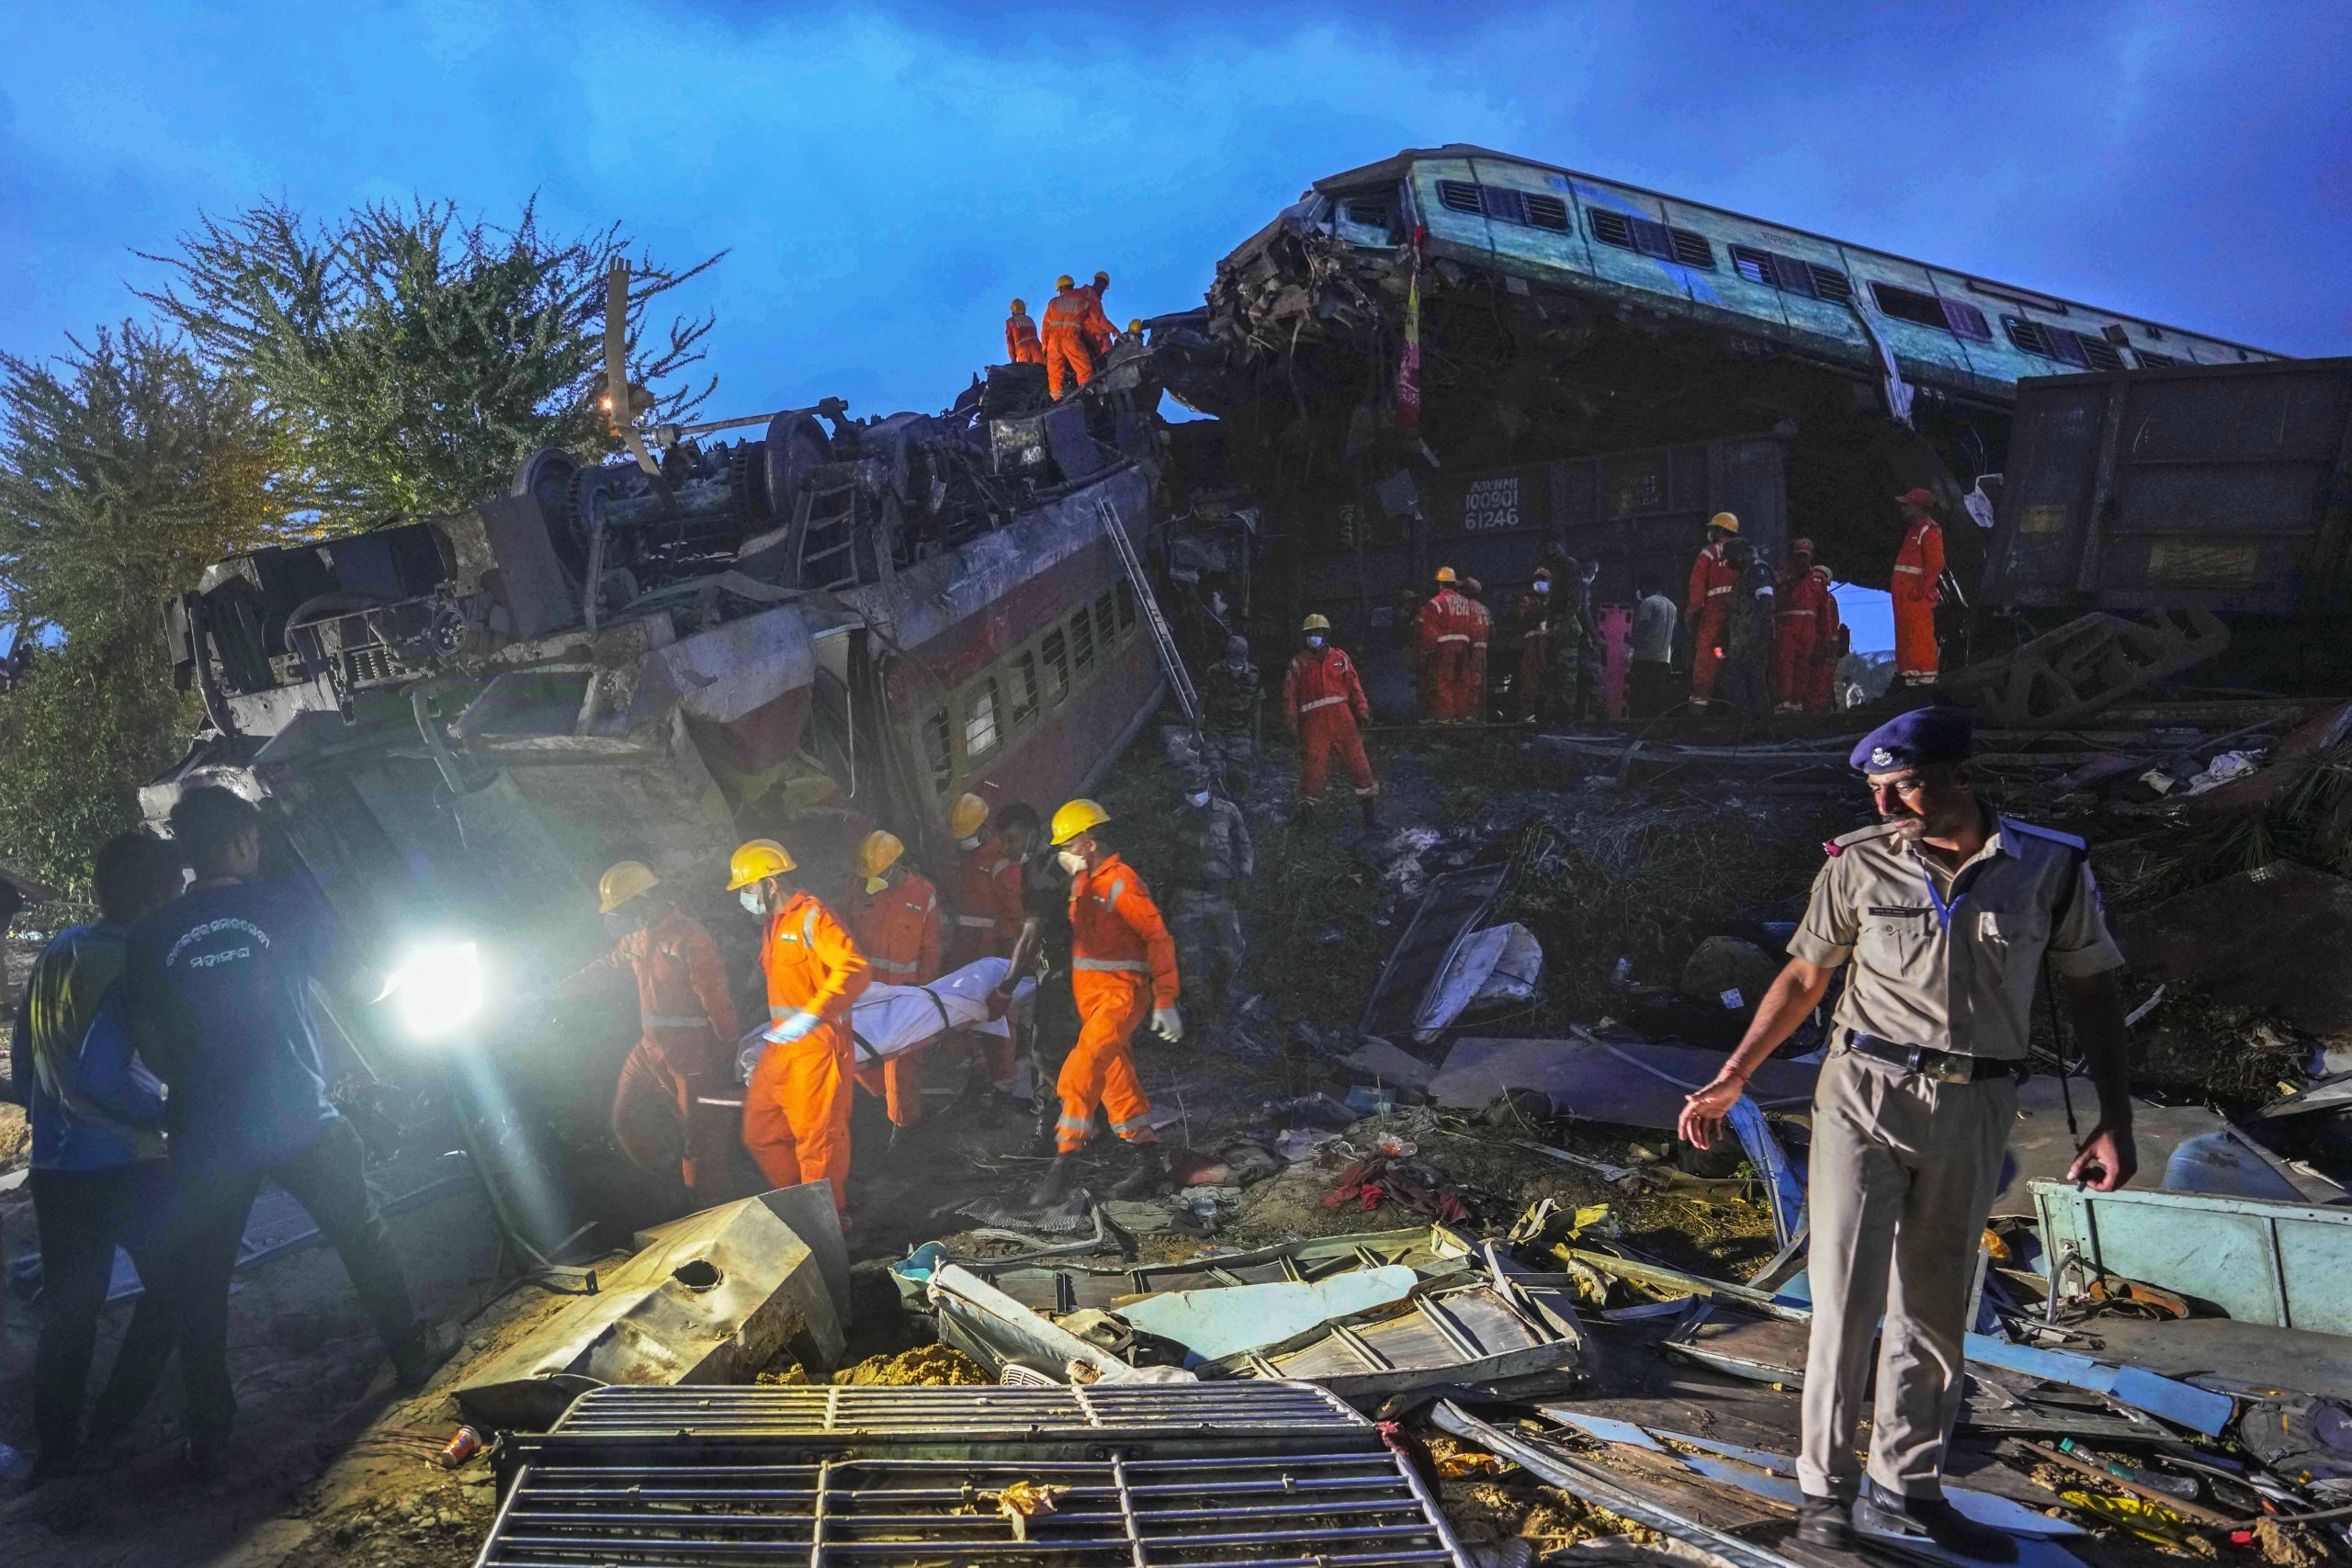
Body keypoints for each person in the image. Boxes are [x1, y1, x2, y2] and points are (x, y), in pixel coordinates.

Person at [1678, 706, 2134, 1560]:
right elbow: (1805, 974)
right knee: (1844, 1300)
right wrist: (1734, 1074)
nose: (1889, 802)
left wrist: (2116, 1117)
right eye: (1877, 788)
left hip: (1976, 1102)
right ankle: (1823, 1500)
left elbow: (2092, 990)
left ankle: (1906, 1489)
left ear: (1963, 774)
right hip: (1863, 1089)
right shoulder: (1857, 865)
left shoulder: (2048, 866)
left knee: (1933, 1306)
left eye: (1907, 783)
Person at [126, 786, 444, 1477]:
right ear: (241, 842)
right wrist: (397, 974)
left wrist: (198, 1073)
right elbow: (358, 985)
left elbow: (149, 1046)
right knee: (362, 1233)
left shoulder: (151, 936)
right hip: (298, 1116)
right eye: (256, 840)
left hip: (209, 1136)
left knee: (201, 1287)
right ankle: (413, 1356)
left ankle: (208, 1433)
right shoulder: (285, 904)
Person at [15, 833, 186, 1482]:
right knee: (175, 1288)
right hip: (127, 1165)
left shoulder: (59, 951)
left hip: (56, 1168)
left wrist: (50, 1122)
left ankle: (55, 1453)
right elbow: (104, 1075)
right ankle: (113, 1427)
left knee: (70, 1313)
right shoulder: (133, 960)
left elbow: (25, 1061)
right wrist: (166, 1115)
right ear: (157, 895)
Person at [555, 860, 739, 1200]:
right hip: (650, 1047)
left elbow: (718, 1003)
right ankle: (671, 1181)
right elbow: (605, 967)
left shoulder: (690, 940)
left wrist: (727, 1052)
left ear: (642, 900)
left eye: (621, 908)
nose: (617, 918)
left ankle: (708, 1204)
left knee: (698, 1137)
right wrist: (553, 993)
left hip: (689, 1052)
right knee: (625, 1120)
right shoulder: (638, 940)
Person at [1028, 800, 1181, 1206]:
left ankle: (1063, 1163)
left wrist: (1165, 999)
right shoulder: (1084, 881)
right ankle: (1149, 1161)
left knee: (1081, 1068)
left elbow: (1158, 938)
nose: (1063, 852)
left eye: (1068, 845)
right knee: (1117, 1080)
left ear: (1089, 843)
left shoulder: (1121, 882)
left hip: (1121, 995)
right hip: (1092, 998)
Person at [729, 838, 870, 1227]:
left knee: (817, 1142)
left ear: (770, 884)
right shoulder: (773, 925)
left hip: (818, 1044)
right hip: (783, 1044)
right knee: (761, 1132)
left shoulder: (813, 917)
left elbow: (854, 968)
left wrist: (814, 1014)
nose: (744, 896)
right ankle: (804, 1206)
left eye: (747, 887)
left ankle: (828, 1221)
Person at [844, 829, 942, 1138]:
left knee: (902, 1065)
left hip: (904, 993)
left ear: (895, 866)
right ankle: (878, 1108)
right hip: (866, 993)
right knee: (864, 1056)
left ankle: (905, 1126)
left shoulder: (923, 895)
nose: (871, 880)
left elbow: (931, 949)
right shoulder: (858, 891)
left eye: (878, 873)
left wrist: (923, 993)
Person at [1167, 772, 1254, 1047]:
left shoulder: (1228, 812)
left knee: (1232, 952)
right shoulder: (1179, 815)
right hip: (1187, 896)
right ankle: (1196, 1020)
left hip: (1221, 894)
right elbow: (1168, 856)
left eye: (1199, 785)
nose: (1194, 791)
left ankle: (1217, 997)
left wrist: (1243, 878)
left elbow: (1244, 847)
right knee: (1187, 960)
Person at [1281, 614, 1378, 825]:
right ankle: (1306, 817)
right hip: (1313, 724)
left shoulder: (1339, 658)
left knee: (1358, 762)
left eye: (1317, 633)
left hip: (1343, 720)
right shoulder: (1298, 663)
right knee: (1314, 767)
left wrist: (1363, 711)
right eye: (1309, 634)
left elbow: (1354, 686)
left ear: (1325, 634)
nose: (1313, 637)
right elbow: (1289, 696)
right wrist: (1291, 723)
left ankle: (1369, 815)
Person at [1683, 513, 1739, 712]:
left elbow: (1696, 587)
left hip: (1714, 616)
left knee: (1705, 666)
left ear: (1719, 530)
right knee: (1734, 665)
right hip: (1739, 618)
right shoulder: (1745, 552)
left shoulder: (1709, 553)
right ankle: (1734, 711)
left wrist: (1693, 617)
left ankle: (1697, 714)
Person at [1892, 488, 1945, 690]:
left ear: (1919, 507)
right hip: (1906, 597)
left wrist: (1919, 590)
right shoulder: (1913, 530)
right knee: (1907, 635)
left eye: (1907, 505)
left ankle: (1926, 678)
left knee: (1919, 635)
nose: (1903, 509)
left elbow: (1936, 563)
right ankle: (1913, 676)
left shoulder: (1928, 530)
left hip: (1915, 597)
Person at [1196, 635, 1260, 797]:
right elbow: (1201, 702)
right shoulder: (1214, 672)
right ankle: (1214, 805)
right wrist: (1197, 731)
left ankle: (1239, 807)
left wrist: (1257, 738)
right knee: (1213, 769)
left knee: (1239, 772)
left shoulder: (1253, 674)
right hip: (1215, 729)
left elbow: (1256, 707)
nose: (1236, 663)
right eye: (1233, 658)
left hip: (1240, 730)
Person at [1719, 538, 1775, 716]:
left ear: (1739, 555)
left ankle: (1759, 726)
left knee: (1754, 682)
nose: (1727, 562)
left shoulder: (1758, 571)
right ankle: (1748, 724)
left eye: (1729, 558)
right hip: (1743, 639)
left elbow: (1765, 603)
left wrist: (1755, 637)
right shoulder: (1746, 573)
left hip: (1753, 639)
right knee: (1742, 681)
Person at [1773, 538, 1830, 714]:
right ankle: (1783, 703)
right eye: (1799, 556)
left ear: (1811, 556)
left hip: (1808, 631)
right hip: (1787, 629)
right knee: (1785, 665)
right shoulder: (1783, 577)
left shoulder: (1818, 581)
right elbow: (1775, 601)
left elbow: (1823, 613)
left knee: (1802, 667)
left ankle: (1796, 703)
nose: (1802, 560)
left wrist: (1824, 640)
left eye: (1805, 556)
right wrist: (1788, 581)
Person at [1414, 567, 1476, 724]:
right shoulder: (1466, 603)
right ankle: (1460, 715)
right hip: (1464, 646)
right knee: (1461, 680)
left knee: (1443, 681)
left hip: (1445, 647)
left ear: (1440, 584)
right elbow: (1472, 626)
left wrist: (1427, 652)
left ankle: (1446, 717)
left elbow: (1429, 631)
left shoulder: (1436, 603)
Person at [1628, 575, 1678, 718]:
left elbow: (1642, 627)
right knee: (1657, 697)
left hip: (1645, 656)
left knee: (1640, 695)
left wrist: (1630, 641)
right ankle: (1654, 728)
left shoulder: (1648, 603)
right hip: (1664, 659)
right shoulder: (1672, 605)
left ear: (1647, 586)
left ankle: (1636, 727)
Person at [1041, 276, 1095, 400]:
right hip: (1071, 339)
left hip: (1053, 343)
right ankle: (1087, 392)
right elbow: (1096, 321)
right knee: (1083, 367)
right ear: (1072, 286)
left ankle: (1057, 399)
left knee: (1054, 373)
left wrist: (1044, 347)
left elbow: (1045, 328)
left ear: (1060, 288)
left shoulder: (1054, 303)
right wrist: (1115, 332)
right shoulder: (1082, 302)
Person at [1805, 564, 1845, 713]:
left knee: (1819, 679)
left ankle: (1817, 709)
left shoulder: (1826, 599)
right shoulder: (1829, 599)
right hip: (1820, 645)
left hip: (1822, 645)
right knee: (1819, 679)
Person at [1457, 575, 1495, 721]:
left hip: (1468, 652)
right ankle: (1479, 718)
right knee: (1481, 687)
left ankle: (1467, 718)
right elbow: (1492, 633)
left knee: (1466, 684)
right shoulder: (1485, 610)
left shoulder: (1464, 608)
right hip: (1482, 653)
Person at [1077, 269, 1118, 356]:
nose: (1103, 290)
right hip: (1090, 332)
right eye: (1103, 286)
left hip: (1089, 331)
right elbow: (1098, 318)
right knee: (1106, 344)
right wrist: (1115, 331)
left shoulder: (1092, 295)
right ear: (1098, 282)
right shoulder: (1090, 294)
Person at [1003, 298, 1044, 366]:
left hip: (1023, 352)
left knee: (1027, 373)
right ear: (1024, 310)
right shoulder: (1030, 319)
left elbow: (1010, 343)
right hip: (1037, 350)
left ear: (1012, 312)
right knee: (1047, 370)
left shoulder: (1010, 322)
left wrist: (1013, 360)